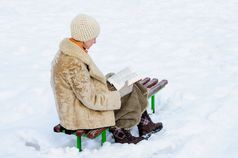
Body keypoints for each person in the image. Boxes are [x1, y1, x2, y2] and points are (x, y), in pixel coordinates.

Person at [51, 14, 163, 144]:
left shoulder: (70, 50)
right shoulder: (73, 63)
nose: (95, 41)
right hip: (79, 115)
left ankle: (144, 123)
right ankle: (121, 132)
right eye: (93, 38)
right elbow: (90, 100)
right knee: (128, 90)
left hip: (79, 103)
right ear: (84, 37)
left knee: (125, 80)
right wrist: (118, 94)